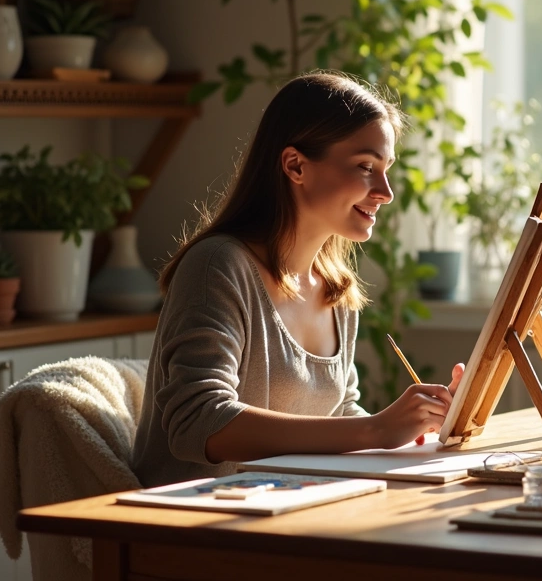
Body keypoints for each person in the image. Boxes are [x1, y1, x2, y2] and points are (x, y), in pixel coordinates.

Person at [131, 72, 463, 487]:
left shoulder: (336, 289)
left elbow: (339, 417)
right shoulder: (218, 265)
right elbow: (196, 423)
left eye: (386, 169)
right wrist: (375, 429)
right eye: (365, 166)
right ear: (295, 165)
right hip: (196, 525)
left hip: (294, 515)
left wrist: (414, 427)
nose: (386, 191)